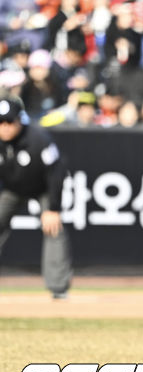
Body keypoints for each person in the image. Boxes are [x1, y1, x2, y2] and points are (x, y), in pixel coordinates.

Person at [0, 93, 72, 299]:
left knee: (54, 228)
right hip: (11, 189)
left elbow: (56, 173)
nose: (5, 127)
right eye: (0, 123)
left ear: (19, 120)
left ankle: (58, 288)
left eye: (9, 122)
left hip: (43, 188)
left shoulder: (38, 139)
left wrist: (54, 208)